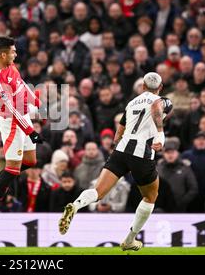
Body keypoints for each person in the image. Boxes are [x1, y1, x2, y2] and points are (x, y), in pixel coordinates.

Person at [59, 72, 172, 251]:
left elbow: (119, 132)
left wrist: (119, 144)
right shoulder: (163, 100)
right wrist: (160, 135)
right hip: (142, 153)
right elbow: (156, 108)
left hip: (121, 151)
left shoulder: (131, 103)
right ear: (160, 88)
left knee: (98, 191)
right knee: (150, 196)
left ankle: (75, 205)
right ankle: (130, 239)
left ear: (142, 86)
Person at [0, 36, 44, 233]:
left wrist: (36, 102)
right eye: (13, 52)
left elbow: (22, 84)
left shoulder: (11, 66)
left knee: (31, 161)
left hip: (22, 116)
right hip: (11, 122)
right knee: (13, 169)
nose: (16, 54)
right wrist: (31, 131)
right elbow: (12, 110)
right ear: (3, 54)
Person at [157, 138, 199, 212]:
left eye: (172, 152)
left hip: (179, 209)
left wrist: (182, 202)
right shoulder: (158, 169)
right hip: (161, 208)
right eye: (167, 152)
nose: (170, 155)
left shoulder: (185, 168)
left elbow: (193, 188)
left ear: (177, 153)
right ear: (164, 154)